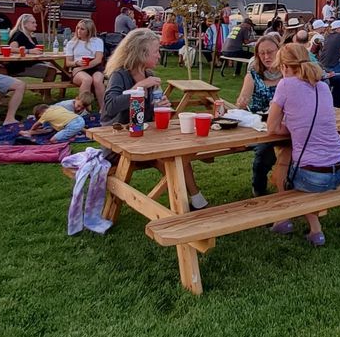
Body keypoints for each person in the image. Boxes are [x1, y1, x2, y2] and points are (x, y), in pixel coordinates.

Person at [103, 28, 208, 209]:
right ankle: (183, 208)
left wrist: (158, 106)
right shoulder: (119, 75)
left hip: (144, 137)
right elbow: (111, 106)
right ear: (142, 53)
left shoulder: (149, 76)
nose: (159, 56)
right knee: (172, 161)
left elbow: (144, 114)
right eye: (156, 51)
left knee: (179, 156)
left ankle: (197, 203)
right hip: (119, 141)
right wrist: (139, 87)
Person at [267, 43, 340, 247]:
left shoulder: (285, 85)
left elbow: (272, 128)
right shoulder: (322, 85)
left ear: (285, 67)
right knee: (292, 160)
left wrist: (291, 126)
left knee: (282, 170)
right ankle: (309, 229)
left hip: (316, 176)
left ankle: (289, 221)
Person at [236, 36, 283, 196]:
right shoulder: (253, 75)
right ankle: (259, 188)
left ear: (279, 51)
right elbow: (243, 100)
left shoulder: (288, 73)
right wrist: (242, 102)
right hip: (260, 126)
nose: (266, 57)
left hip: (285, 124)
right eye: (262, 53)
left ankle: (294, 184)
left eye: (270, 52)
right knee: (264, 151)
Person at [65, 19, 106, 111]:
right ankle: (84, 109)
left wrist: (81, 67)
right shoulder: (71, 43)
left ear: (89, 30)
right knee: (87, 79)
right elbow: (68, 62)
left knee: (97, 80)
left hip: (94, 66)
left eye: (82, 29)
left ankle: (103, 109)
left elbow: (98, 59)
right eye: (78, 28)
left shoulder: (97, 41)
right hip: (78, 67)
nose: (79, 31)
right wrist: (76, 63)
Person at [21, 95, 94, 144]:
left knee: (52, 139)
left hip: (72, 124)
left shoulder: (45, 115)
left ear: (40, 114)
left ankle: (29, 133)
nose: (79, 108)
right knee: (51, 128)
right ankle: (88, 132)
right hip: (79, 119)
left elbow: (36, 124)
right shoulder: (56, 107)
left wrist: (32, 129)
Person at [2, 13, 53, 79]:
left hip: (31, 63)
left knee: (51, 67)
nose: (36, 25)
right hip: (20, 67)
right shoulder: (19, 35)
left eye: (35, 22)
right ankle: (41, 89)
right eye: (33, 23)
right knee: (51, 71)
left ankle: (41, 89)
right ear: (25, 24)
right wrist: (29, 51)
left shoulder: (31, 36)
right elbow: (11, 49)